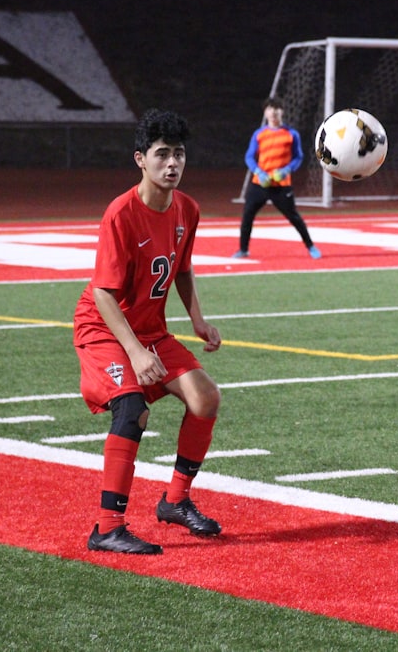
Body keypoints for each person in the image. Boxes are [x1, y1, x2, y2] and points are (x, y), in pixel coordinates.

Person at [74, 108, 223, 555]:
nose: (172, 164)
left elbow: (181, 268)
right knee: (133, 409)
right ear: (141, 159)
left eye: (179, 154)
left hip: (149, 329)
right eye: (162, 155)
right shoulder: (121, 213)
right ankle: (107, 528)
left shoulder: (187, 209)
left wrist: (197, 319)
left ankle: (175, 501)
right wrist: (137, 353)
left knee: (206, 398)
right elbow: (103, 294)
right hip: (103, 330)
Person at [233, 96, 321, 260]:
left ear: (282, 112)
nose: (273, 112)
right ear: (266, 113)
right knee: (247, 216)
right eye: (270, 109)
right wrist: (259, 172)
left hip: (281, 185)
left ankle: (311, 246)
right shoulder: (259, 134)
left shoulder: (291, 134)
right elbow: (249, 157)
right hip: (260, 184)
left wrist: (286, 170)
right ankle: (243, 249)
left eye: (276, 109)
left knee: (294, 217)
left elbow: (298, 157)